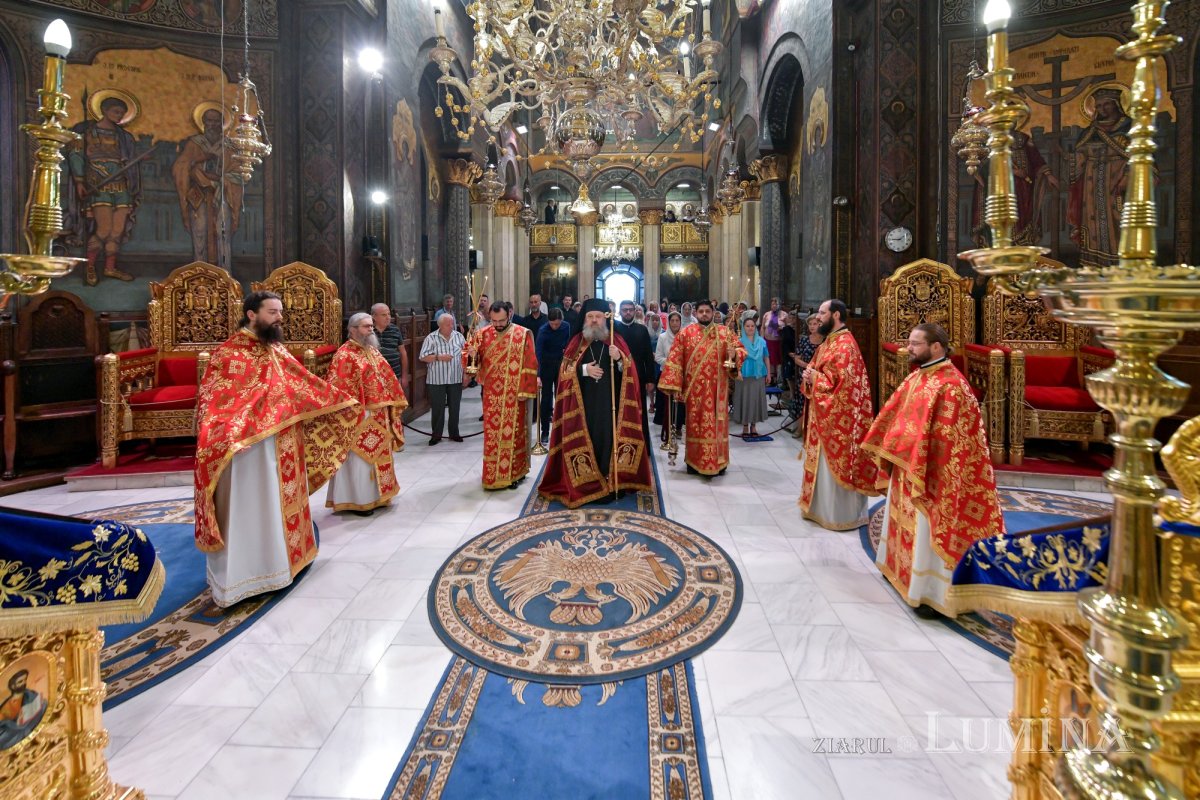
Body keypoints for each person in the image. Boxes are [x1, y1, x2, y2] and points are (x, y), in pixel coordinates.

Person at [195, 291, 361, 607]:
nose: (279, 318)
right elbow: (213, 407)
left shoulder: (276, 349)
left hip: (282, 444)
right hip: (247, 454)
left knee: (277, 505)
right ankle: (249, 576)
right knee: (253, 510)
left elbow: (303, 384)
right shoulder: (228, 355)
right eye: (273, 312)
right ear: (251, 315)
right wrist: (236, 433)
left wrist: (338, 400)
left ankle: (282, 565)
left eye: (280, 311)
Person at [860, 323, 1005, 616]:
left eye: (915, 344)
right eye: (910, 342)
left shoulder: (951, 386)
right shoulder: (919, 377)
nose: (908, 349)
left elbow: (955, 443)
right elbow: (896, 416)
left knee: (928, 532)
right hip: (909, 468)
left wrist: (917, 457)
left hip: (933, 477)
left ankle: (931, 591)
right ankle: (901, 575)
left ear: (936, 347)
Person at [538, 299, 653, 507]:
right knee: (588, 439)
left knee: (608, 441)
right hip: (583, 409)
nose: (593, 321)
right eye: (590, 317)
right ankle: (588, 482)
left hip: (611, 406)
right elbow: (564, 373)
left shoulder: (615, 341)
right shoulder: (576, 343)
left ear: (605, 319)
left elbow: (631, 374)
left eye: (598, 317)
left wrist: (619, 359)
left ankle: (611, 480)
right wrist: (584, 370)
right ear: (584, 320)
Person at [798, 299, 878, 530]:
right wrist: (810, 378)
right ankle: (817, 508)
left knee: (833, 468)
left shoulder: (845, 346)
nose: (817, 317)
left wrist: (815, 379)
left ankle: (838, 515)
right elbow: (816, 371)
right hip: (821, 416)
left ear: (835, 315)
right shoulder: (829, 342)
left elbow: (846, 390)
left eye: (822, 313)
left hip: (837, 421)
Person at [325, 313, 409, 515]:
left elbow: (386, 378)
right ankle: (358, 500)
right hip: (359, 417)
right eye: (365, 327)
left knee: (378, 454)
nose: (371, 329)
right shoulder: (344, 355)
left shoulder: (372, 350)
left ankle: (379, 496)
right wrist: (357, 411)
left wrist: (391, 403)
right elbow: (339, 389)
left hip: (378, 414)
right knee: (361, 459)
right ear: (353, 330)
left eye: (371, 326)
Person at [659, 299, 746, 476]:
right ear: (696, 313)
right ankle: (693, 461)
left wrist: (734, 354)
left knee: (717, 425)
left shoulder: (724, 332)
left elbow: (741, 350)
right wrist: (674, 385)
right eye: (701, 311)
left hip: (718, 390)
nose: (704, 314)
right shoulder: (685, 333)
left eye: (707, 311)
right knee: (695, 426)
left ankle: (719, 462)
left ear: (713, 312)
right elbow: (675, 359)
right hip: (695, 392)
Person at [66, 96, 141, 285]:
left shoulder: (124, 137)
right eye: (116, 112)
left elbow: (131, 162)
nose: (119, 116)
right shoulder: (86, 132)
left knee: (116, 232)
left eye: (122, 114)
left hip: (121, 186)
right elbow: (76, 156)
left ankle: (109, 268)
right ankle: (90, 266)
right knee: (104, 229)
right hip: (99, 185)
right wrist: (79, 181)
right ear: (105, 110)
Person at [465, 301, 538, 489]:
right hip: (492, 395)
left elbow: (530, 363)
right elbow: (472, 365)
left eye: (501, 320)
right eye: (494, 320)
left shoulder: (522, 334)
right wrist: (471, 355)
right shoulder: (481, 334)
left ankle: (515, 473)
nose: (497, 324)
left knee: (514, 435)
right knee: (492, 436)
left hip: (515, 395)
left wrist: (525, 390)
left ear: (510, 314)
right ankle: (492, 474)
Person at [172, 107, 245, 270]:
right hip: (199, 195)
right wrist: (199, 164)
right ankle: (200, 272)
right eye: (208, 121)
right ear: (203, 123)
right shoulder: (194, 143)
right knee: (199, 233)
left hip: (222, 194)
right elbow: (180, 167)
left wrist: (219, 179)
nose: (212, 125)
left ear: (221, 123)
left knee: (222, 233)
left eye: (216, 121)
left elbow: (237, 173)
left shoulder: (229, 146)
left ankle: (225, 274)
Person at [1067, 86, 1132, 267]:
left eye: (1106, 105)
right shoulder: (1090, 131)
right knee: (1092, 220)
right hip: (1092, 183)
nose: (1102, 110)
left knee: (1117, 221)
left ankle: (1120, 265)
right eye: (1099, 106)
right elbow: (1080, 154)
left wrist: (1128, 176)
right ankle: (1093, 264)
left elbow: (1143, 158)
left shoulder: (1130, 128)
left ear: (1117, 105)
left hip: (1116, 181)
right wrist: (1074, 159)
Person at [614, 299, 657, 448]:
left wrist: (650, 379)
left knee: (638, 409)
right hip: (618, 376)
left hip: (638, 374)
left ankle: (641, 443)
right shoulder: (615, 329)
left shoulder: (642, 329)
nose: (627, 312)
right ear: (620, 311)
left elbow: (648, 357)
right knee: (619, 408)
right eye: (624, 309)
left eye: (630, 310)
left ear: (635, 311)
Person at [421, 313, 467, 445]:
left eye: (452, 323)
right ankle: (436, 435)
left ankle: (454, 433)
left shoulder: (459, 336)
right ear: (440, 325)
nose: (451, 326)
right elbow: (423, 357)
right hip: (436, 379)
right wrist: (438, 357)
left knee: (455, 407)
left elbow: (465, 356)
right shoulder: (431, 338)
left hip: (455, 377)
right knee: (437, 408)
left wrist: (466, 374)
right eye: (448, 324)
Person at [535, 308, 571, 444]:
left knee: (561, 397)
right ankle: (545, 431)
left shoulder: (566, 327)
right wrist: (538, 375)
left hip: (561, 365)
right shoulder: (543, 330)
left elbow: (570, 344)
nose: (555, 327)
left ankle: (562, 430)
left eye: (557, 324)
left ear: (561, 321)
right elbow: (538, 352)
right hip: (546, 366)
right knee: (546, 399)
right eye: (552, 324)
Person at [732, 311, 769, 438]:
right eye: (747, 326)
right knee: (744, 400)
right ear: (744, 327)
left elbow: (766, 358)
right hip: (744, 375)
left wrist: (769, 373)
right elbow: (736, 359)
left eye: (752, 326)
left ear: (755, 327)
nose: (750, 328)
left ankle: (754, 426)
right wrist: (738, 372)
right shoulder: (739, 342)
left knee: (755, 400)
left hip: (758, 374)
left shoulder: (762, 342)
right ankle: (745, 426)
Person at [789, 314, 823, 439]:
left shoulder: (825, 340)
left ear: (820, 324)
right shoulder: (804, 340)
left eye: (815, 324)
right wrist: (808, 366)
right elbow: (797, 359)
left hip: (820, 376)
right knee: (802, 402)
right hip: (804, 375)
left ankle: (816, 431)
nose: (812, 326)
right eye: (810, 324)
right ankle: (800, 429)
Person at [654, 311, 685, 444]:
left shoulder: (685, 336)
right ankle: (668, 427)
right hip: (667, 374)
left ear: (680, 322)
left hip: (682, 375)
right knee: (668, 403)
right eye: (672, 321)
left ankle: (678, 427)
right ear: (668, 322)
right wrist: (671, 363)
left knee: (680, 403)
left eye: (677, 321)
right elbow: (658, 357)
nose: (674, 323)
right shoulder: (662, 337)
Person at [0, 669, 46, 750]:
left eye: (25, 680)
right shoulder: (7, 703)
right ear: (13, 686)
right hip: (12, 731)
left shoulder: (31, 695)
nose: (24, 683)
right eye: (20, 681)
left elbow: (43, 705)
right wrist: (11, 723)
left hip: (23, 729)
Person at [371, 303, 410, 394]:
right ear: (374, 316)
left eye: (389, 314)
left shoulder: (395, 329)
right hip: (374, 378)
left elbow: (403, 353)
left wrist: (404, 376)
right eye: (384, 315)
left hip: (394, 376)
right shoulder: (368, 330)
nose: (388, 317)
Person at [762, 297, 785, 385]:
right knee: (769, 359)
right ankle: (770, 378)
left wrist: (781, 328)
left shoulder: (784, 315)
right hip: (768, 341)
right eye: (773, 304)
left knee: (778, 360)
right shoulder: (767, 314)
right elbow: (763, 327)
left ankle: (778, 378)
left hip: (778, 341)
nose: (774, 306)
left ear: (779, 305)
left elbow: (788, 327)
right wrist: (761, 338)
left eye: (776, 304)